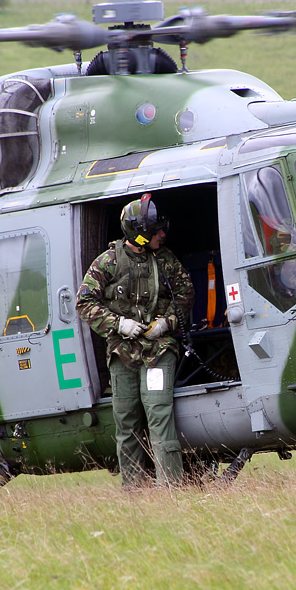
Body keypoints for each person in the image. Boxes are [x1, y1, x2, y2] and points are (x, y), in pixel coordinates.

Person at [76, 194, 194, 488]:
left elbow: (186, 294)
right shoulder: (108, 262)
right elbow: (84, 303)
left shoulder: (165, 260)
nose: (163, 235)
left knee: (159, 416)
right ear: (140, 233)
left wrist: (167, 322)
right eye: (156, 230)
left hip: (158, 351)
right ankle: (133, 494)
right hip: (123, 353)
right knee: (126, 424)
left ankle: (171, 489)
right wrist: (118, 324)